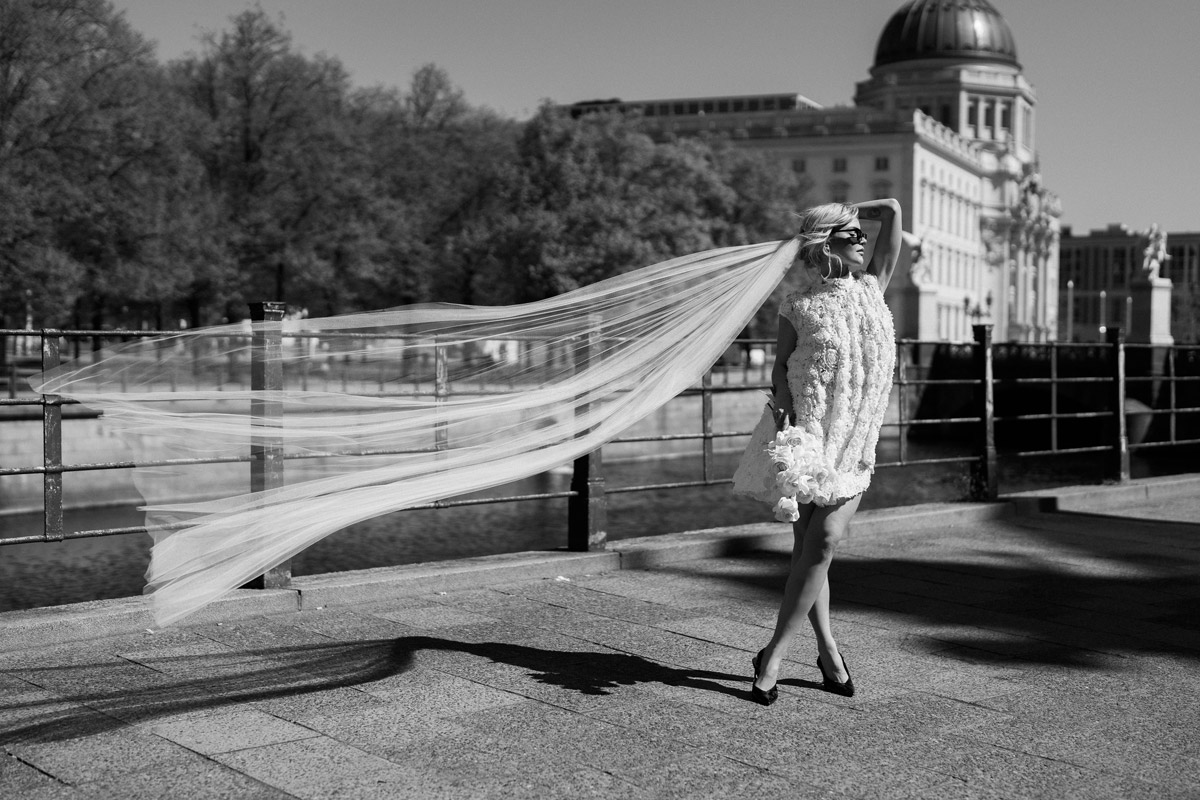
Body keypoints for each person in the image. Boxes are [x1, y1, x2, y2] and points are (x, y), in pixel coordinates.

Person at [733, 199, 901, 704]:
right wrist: (787, 427)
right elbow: (780, 369)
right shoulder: (798, 306)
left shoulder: (873, 285)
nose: (862, 240)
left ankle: (773, 655)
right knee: (813, 551)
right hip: (810, 438)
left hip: (856, 439)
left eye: (861, 234)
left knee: (823, 540)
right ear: (825, 242)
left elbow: (891, 215)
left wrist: (863, 209)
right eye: (851, 234)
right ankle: (828, 651)